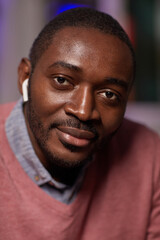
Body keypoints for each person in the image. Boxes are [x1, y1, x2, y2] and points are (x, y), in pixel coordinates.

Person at [0, 7, 160, 240]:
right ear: (25, 77)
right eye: (62, 81)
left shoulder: (148, 156)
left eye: (109, 94)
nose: (84, 111)